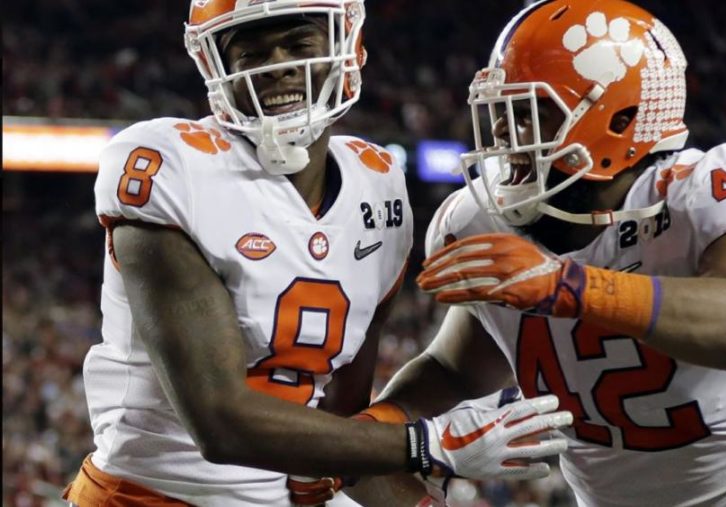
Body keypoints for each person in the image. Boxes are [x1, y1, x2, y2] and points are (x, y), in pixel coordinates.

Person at [62, 1, 573, 506]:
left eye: (299, 43)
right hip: (149, 496)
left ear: (349, 47)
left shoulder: (378, 185)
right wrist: (429, 444)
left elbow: (343, 428)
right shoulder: (173, 167)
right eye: (252, 54)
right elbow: (220, 423)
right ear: (215, 66)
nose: (279, 66)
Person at [368, 0, 726, 505]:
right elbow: (457, 369)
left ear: (618, 119)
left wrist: (568, 286)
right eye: (501, 113)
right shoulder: (476, 220)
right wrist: (376, 429)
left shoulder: (700, 192)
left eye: (530, 114)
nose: (503, 136)